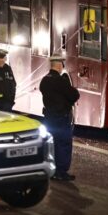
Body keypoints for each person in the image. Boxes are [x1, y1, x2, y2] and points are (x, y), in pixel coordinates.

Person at [40, 53, 80, 181]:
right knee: (63, 143)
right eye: (62, 64)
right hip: (61, 117)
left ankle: (51, 169)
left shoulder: (44, 80)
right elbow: (74, 95)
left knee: (51, 144)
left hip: (49, 117)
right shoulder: (60, 80)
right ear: (58, 65)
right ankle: (61, 172)